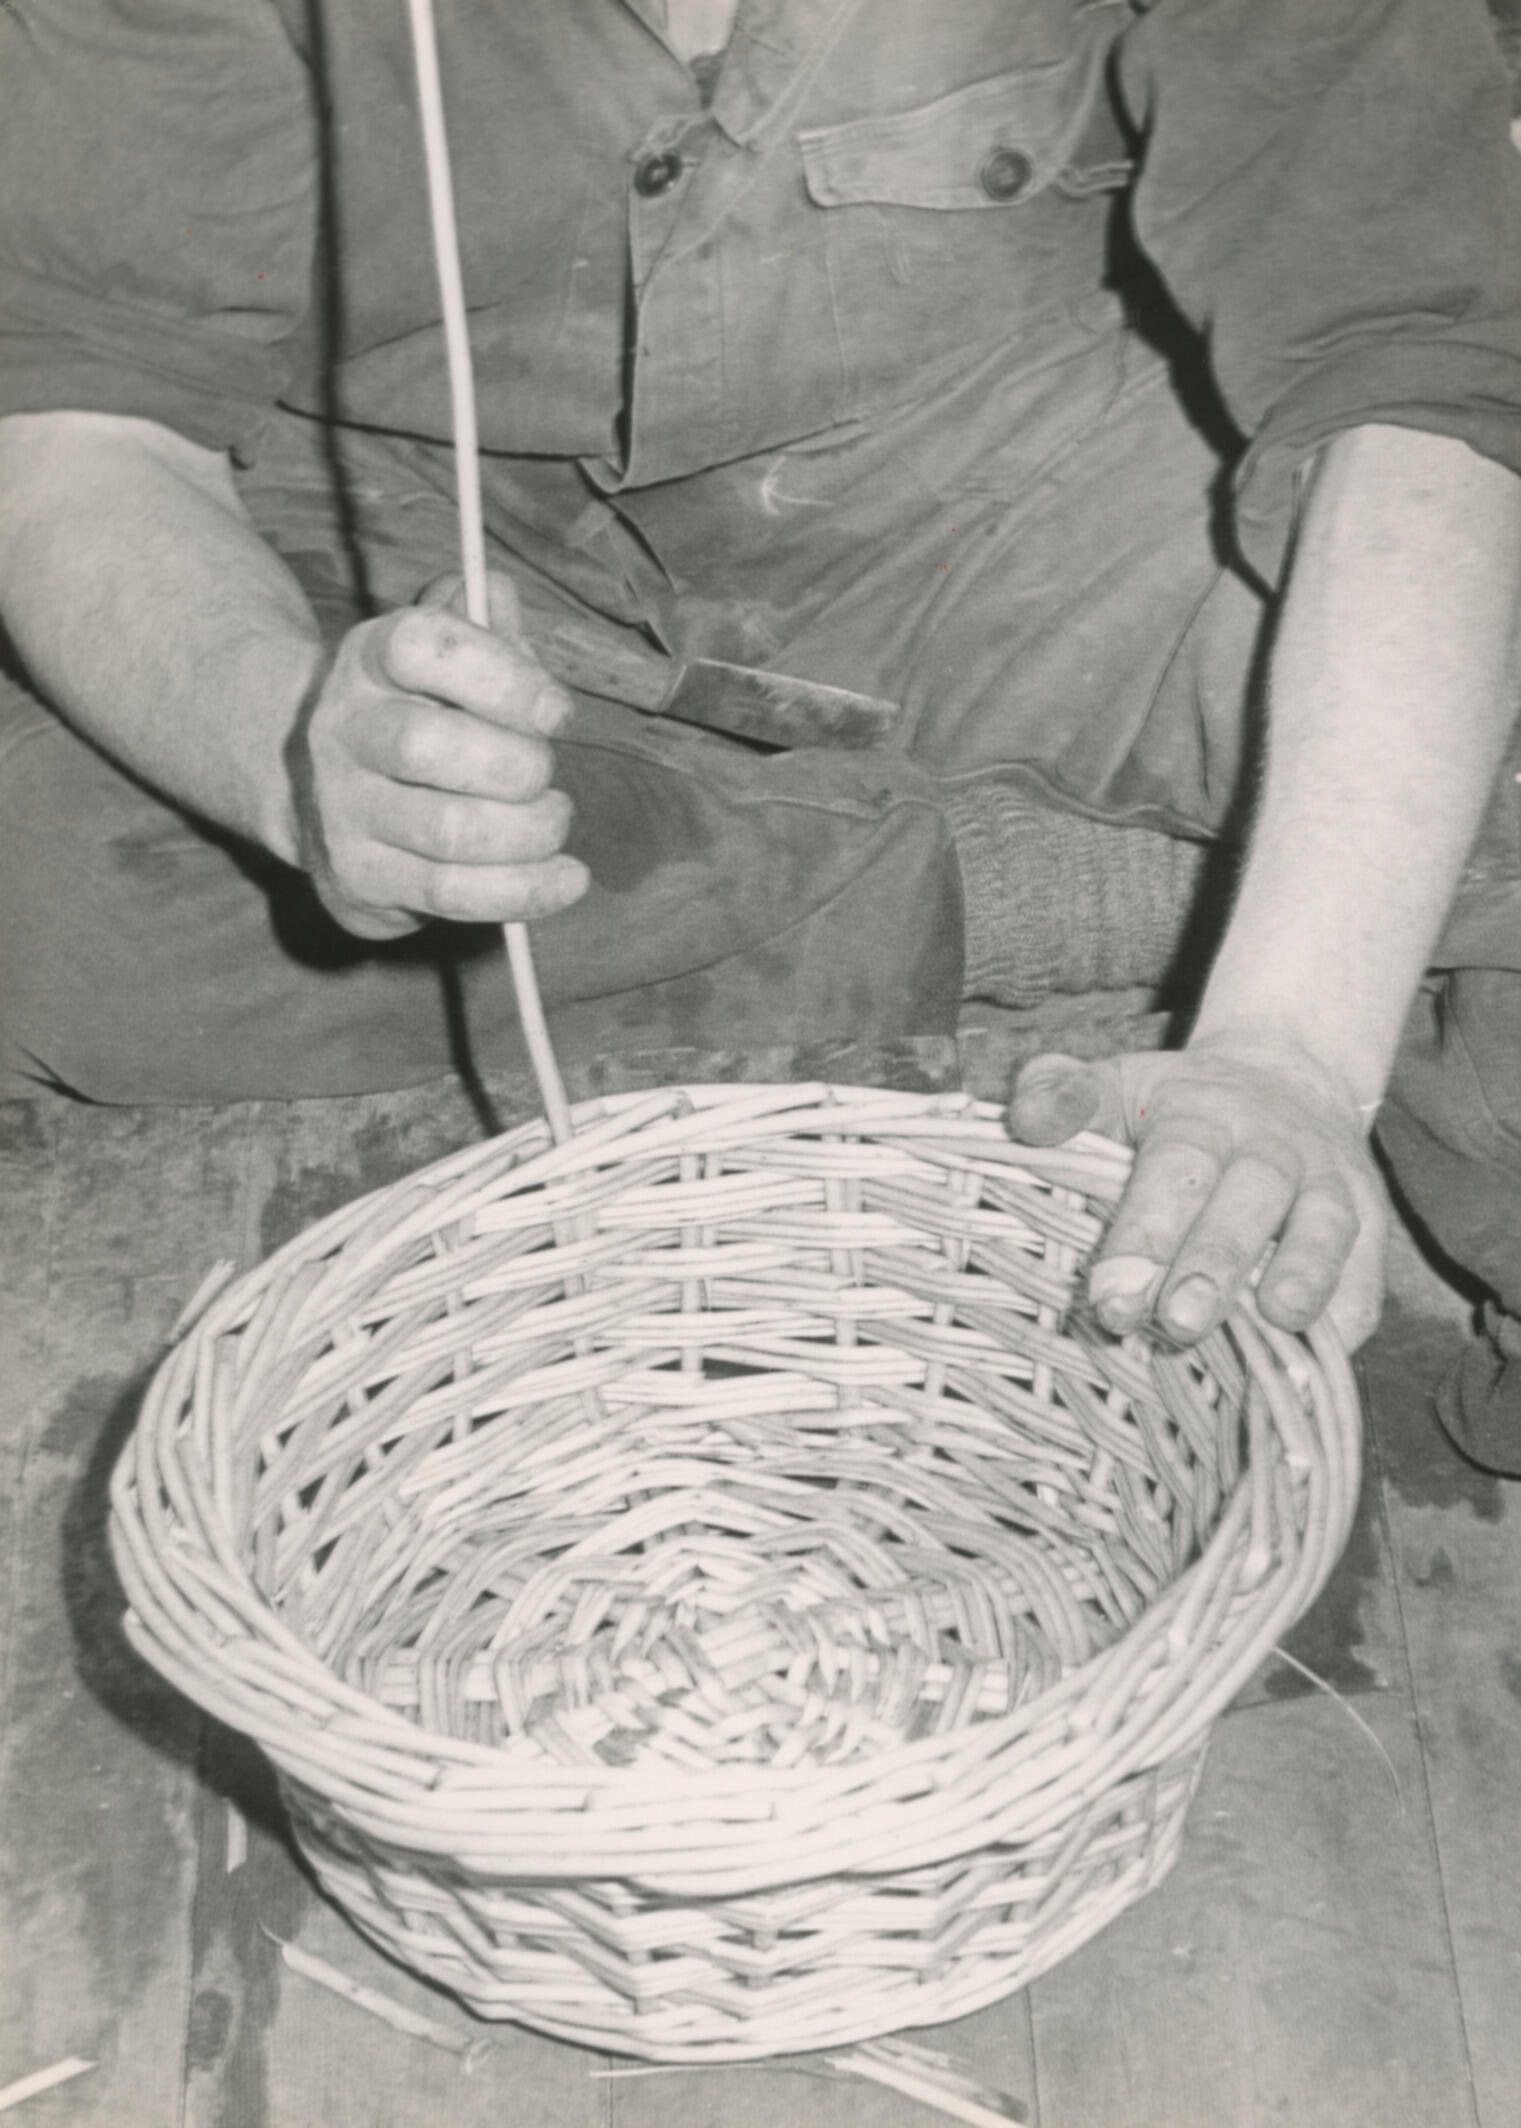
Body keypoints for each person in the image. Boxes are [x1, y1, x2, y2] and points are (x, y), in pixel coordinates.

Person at [2, 0, 1521, 1413]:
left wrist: (1291, 1054)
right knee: (51, 903)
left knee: (1481, 698)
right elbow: (82, 417)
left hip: (1023, 477)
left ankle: (1149, 906)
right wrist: (297, 757)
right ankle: (1082, 894)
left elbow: (1422, 378)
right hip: (423, 540)